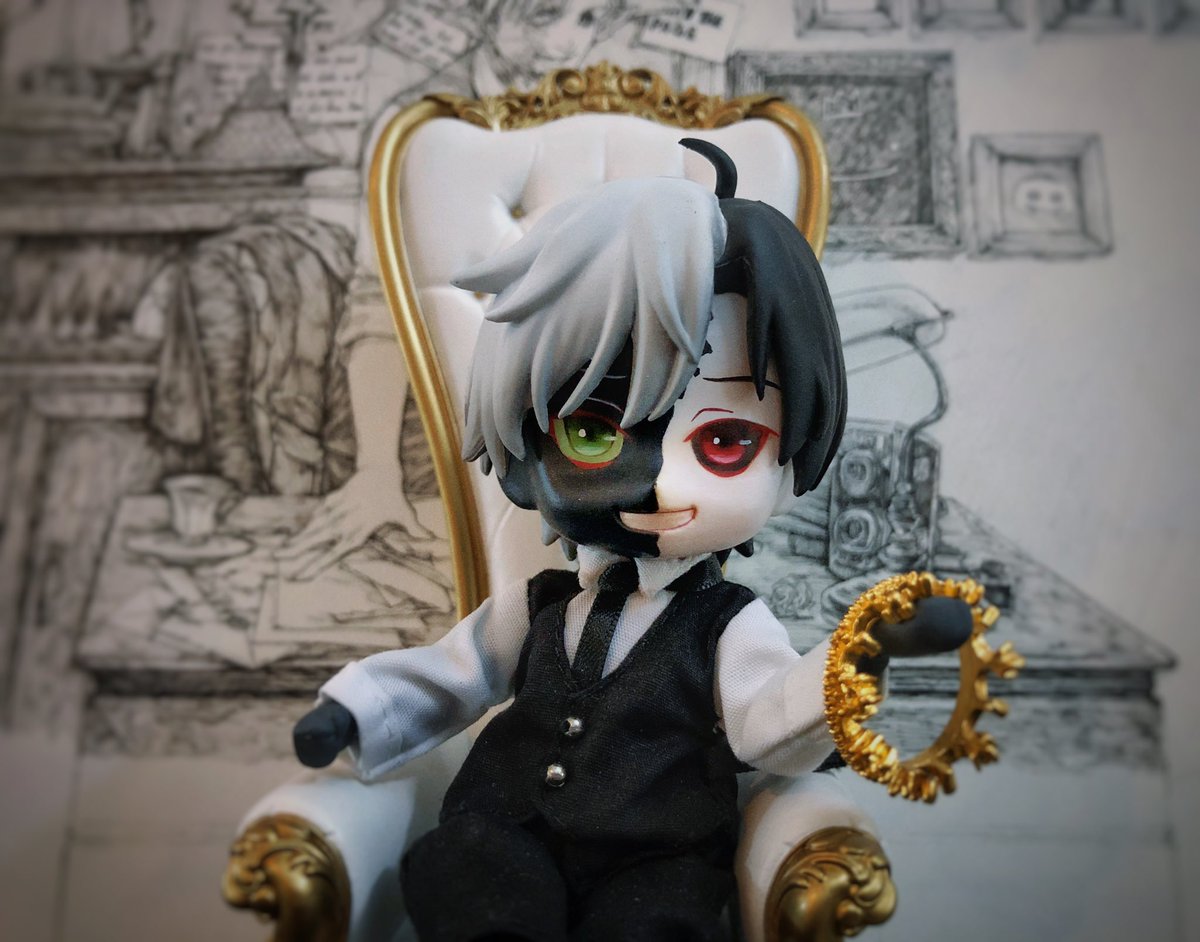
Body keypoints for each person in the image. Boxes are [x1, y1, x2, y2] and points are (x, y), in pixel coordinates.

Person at [293, 142, 970, 941]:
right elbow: (451, 674)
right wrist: (355, 711)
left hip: (658, 858)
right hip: (505, 829)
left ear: (788, 460)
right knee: (469, 879)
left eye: (724, 442)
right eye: (592, 433)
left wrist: (861, 650)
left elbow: (765, 721)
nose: (663, 485)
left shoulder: (727, 627)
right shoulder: (535, 608)